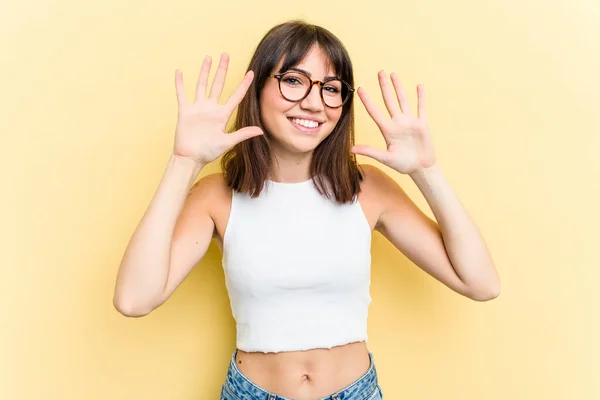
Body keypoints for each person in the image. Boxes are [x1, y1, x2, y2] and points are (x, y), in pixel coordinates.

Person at [113, 20, 500, 400]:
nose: (314, 103)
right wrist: (184, 162)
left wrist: (425, 170)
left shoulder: (368, 189)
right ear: (258, 87)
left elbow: (480, 283)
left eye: (331, 88)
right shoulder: (217, 196)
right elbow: (134, 299)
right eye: (294, 80)